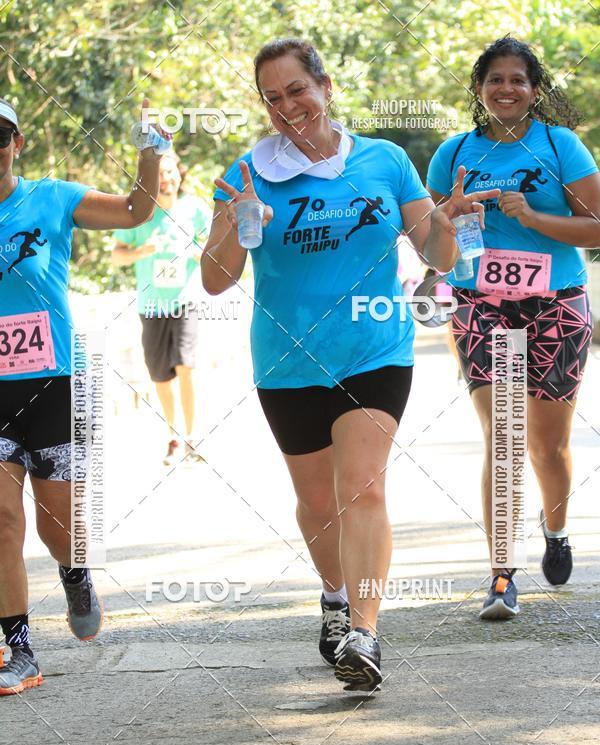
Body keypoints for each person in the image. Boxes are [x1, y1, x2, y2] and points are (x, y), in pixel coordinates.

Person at [201, 38, 497, 690]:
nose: (287, 107)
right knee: (316, 503)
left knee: (362, 486)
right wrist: (229, 220)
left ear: (325, 86)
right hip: (286, 359)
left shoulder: (385, 162)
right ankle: (334, 595)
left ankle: (364, 629)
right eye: (272, 99)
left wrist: (448, 219)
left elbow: (440, 257)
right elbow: (217, 279)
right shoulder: (244, 173)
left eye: (297, 91)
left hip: (374, 348)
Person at [427, 37, 600, 620]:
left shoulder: (561, 145)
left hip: (556, 304)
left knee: (547, 447)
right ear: (479, 88)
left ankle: (556, 530)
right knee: (502, 438)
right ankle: (501, 574)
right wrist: (448, 218)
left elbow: (596, 227)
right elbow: (433, 251)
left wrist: (531, 217)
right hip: (483, 305)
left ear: (535, 89)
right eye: (495, 78)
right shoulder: (453, 153)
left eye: (518, 79)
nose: (506, 88)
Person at [0, 97, 165, 694]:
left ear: (17, 143)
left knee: (57, 523)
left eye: (1, 134)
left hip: (52, 382)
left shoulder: (54, 197)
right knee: (1, 518)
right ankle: (20, 651)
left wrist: (151, 148)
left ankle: (75, 573)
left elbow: (134, 210)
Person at [112, 151, 211, 466]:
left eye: (171, 172)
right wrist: (143, 250)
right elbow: (118, 256)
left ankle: (192, 437)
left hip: (186, 301)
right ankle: (174, 435)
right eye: (161, 173)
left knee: (186, 365)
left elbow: (212, 247)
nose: (167, 179)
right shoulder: (141, 214)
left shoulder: (194, 209)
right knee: (161, 376)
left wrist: (195, 252)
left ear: (179, 175)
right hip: (151, 305)